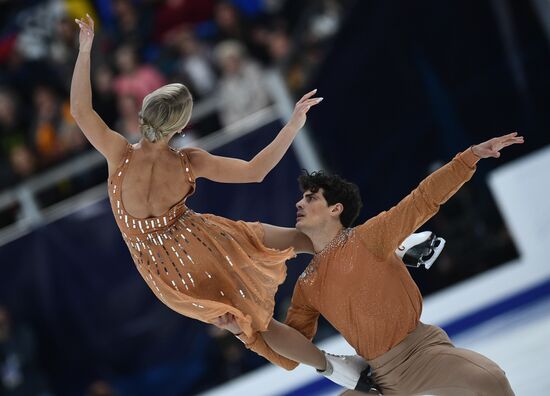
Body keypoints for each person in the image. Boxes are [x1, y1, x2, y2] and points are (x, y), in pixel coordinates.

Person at [71, 15, 444, 389]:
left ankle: (337, 369)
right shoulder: (189, 162)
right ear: (180, 128)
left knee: (257, 326)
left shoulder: (117, 154)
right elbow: (255, 171)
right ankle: (399, 247)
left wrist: (85, 48)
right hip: (206, 242)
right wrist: (292, 125)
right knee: (307, 241)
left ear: (142, 114)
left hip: (170, 275)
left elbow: (81, 111)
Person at [214, 133, 523, 395]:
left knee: (489, 380)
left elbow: (423, 199)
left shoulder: (369, 237)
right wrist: (244, 331)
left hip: (422, 354)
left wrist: (469, 158)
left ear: (336, 209)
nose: (298, 203)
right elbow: (292, 354)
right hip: (377, 380)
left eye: (310, 198)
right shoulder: (307, 284)